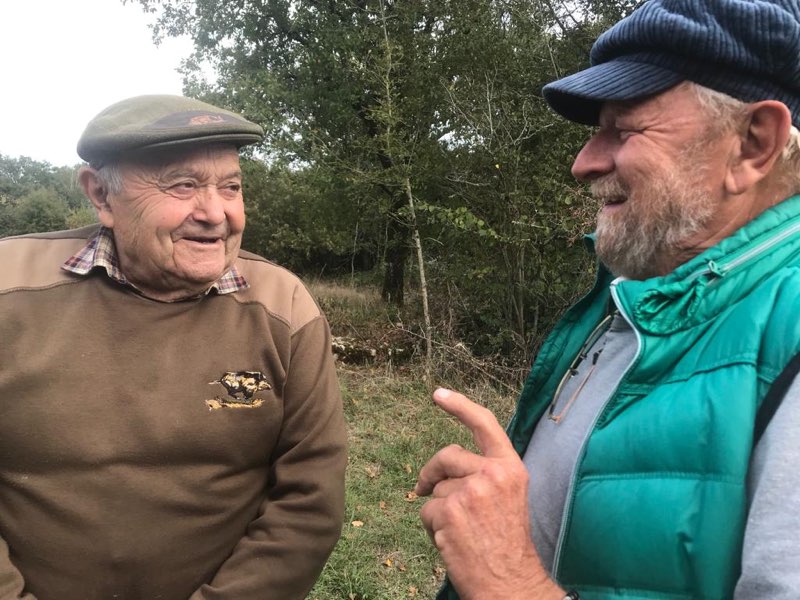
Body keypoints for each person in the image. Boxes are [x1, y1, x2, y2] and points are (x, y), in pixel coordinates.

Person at [415, 1, 800, 598]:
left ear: (753, 144)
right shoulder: (640, 293)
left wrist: (507, 581)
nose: (583, 162)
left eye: (623, 129)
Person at [0, 95, 347, 599]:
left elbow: (310, 500)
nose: (215, 213)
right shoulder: (9, 292)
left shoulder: (284, 308)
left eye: (231, 187)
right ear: (101, 195)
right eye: (183, 185)